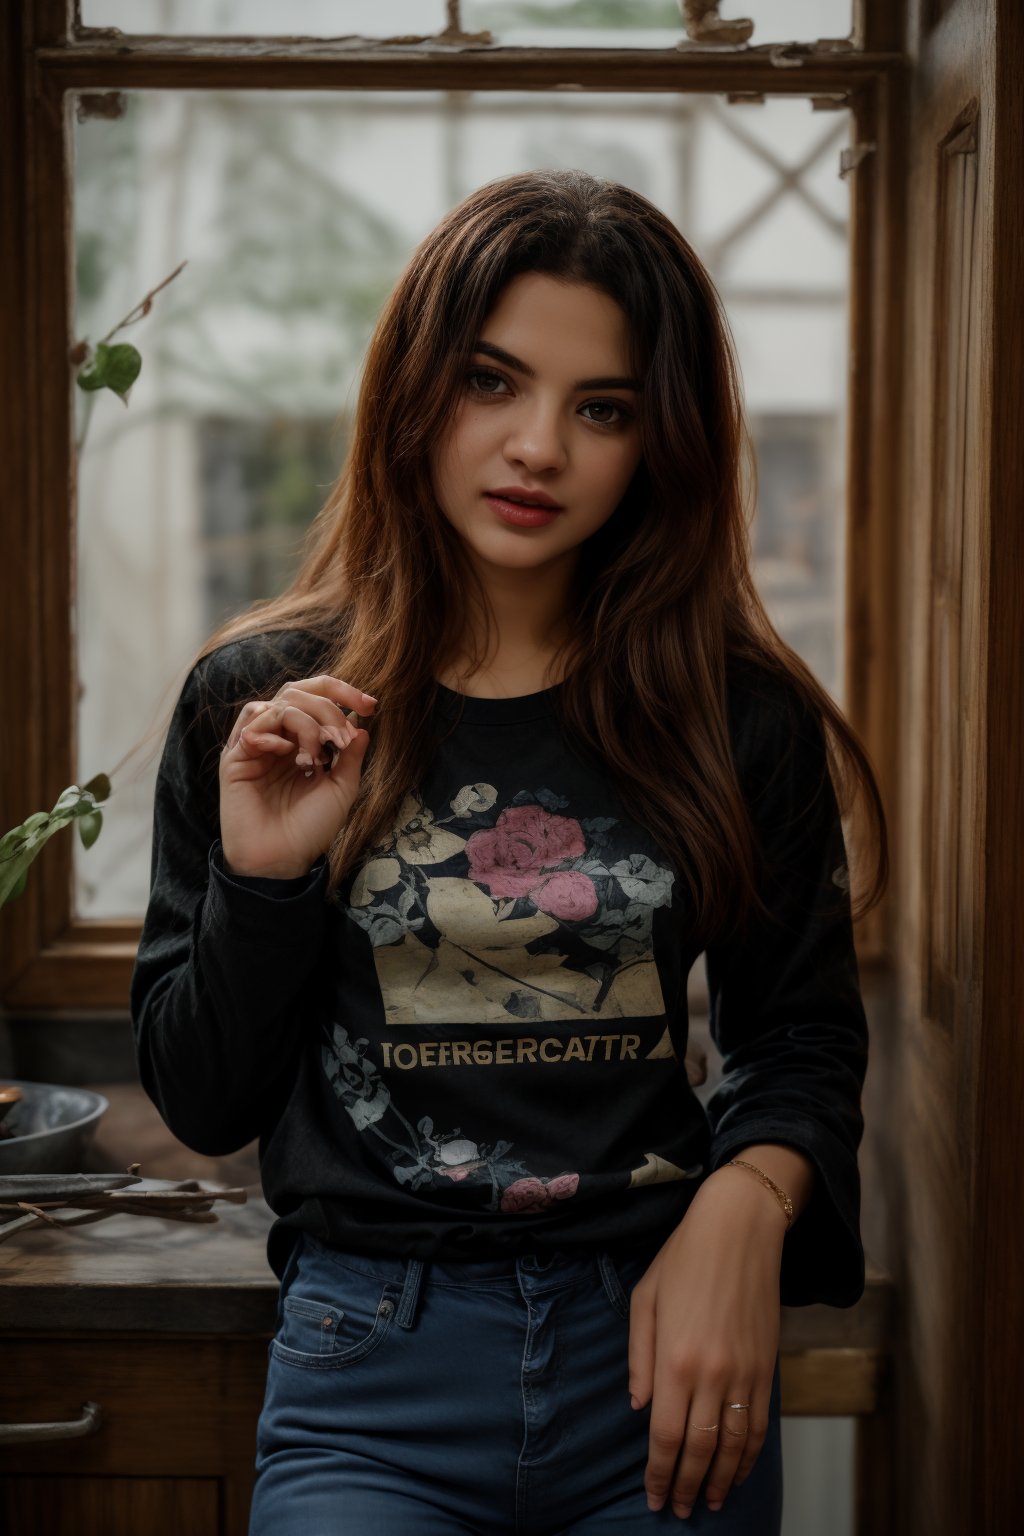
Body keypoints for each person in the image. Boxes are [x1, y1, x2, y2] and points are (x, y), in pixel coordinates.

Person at [130, 168, 888, 1535]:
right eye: (493, 381)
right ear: (416, 391)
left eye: (601, 408)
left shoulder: (735, 714)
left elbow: (803, 1042)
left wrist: (745, 1203)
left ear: (658, 441)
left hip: (659, 1363)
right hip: (370, 1373)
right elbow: (204, 1101)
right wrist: (268, 875)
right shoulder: (265, 703)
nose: (539, 445)